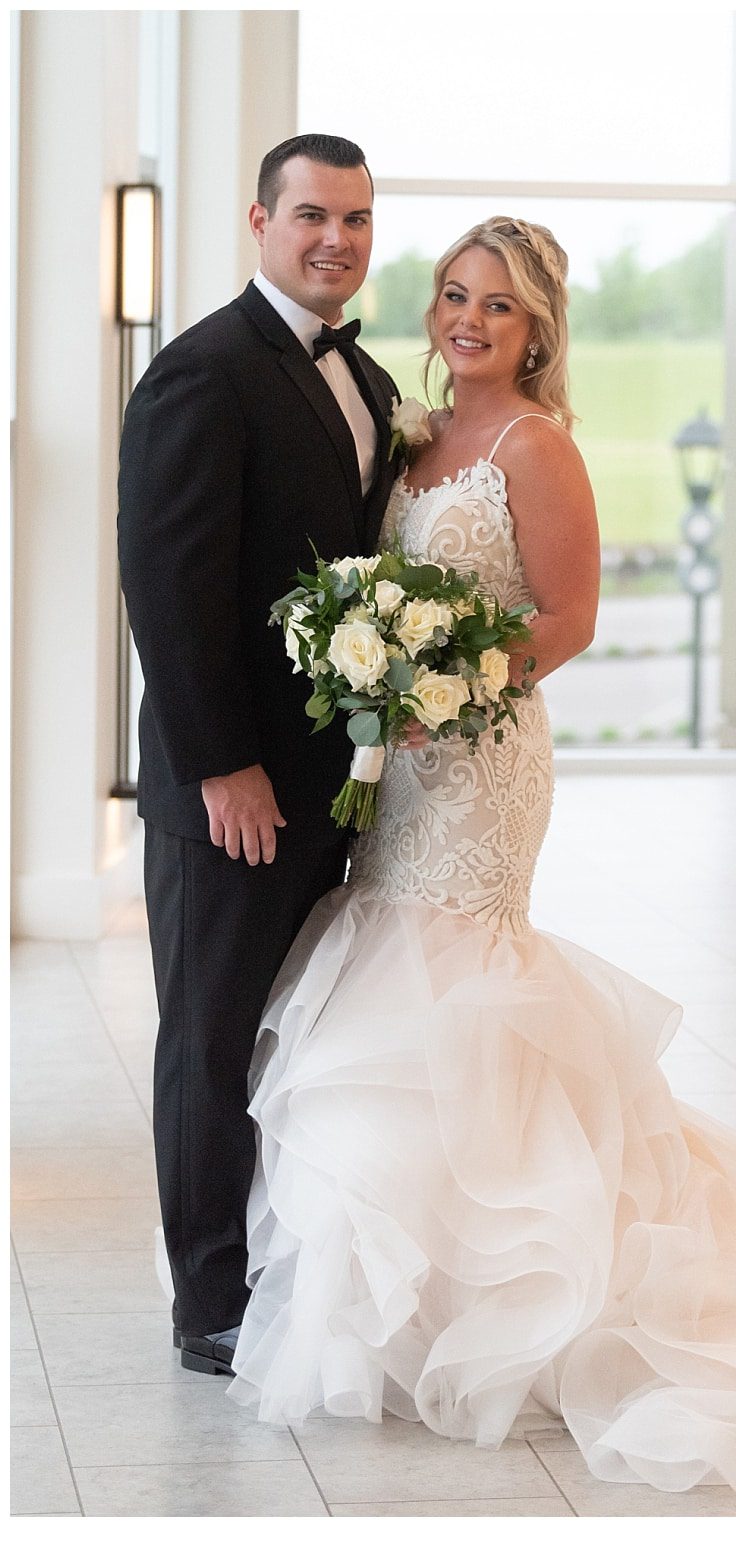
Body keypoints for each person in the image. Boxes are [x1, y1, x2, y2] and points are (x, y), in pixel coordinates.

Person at [222, 216, 736, 1503]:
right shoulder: (418, 438)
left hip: (480, 762)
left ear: (537, 327)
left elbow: (570, 616)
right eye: (452, 297)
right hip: (402, 754)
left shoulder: (537, 447)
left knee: (455, 977)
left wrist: (448, 682)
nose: (466, 321)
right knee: (389, 977)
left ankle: (532, 1285)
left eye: (496, 305)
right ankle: (412, 1297)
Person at [118, 134, 400, 1378]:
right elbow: (167, 586)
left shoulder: (373, 381)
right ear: (259, 220)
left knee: (298, 1035)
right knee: (212, 1038)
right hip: (226, 790)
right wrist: (222, 762)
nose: (334, 237)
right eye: (310, 216)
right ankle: (208, 1306)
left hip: (330, 781)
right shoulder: (201, 373)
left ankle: (282, 1263)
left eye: (354, 218)